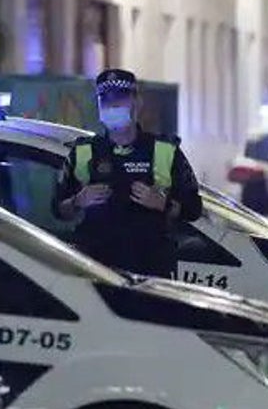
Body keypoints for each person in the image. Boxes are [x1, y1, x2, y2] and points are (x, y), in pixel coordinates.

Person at [53, 68, 202, 277]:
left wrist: (163, 204)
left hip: (151, 272)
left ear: (136, 102)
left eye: (121, 98)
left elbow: (194, 209)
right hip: (96, 272)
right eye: (106, 100)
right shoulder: (82, 151)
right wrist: (78, 200)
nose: (113, 105)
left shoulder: (165, 150)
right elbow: (58, 209)